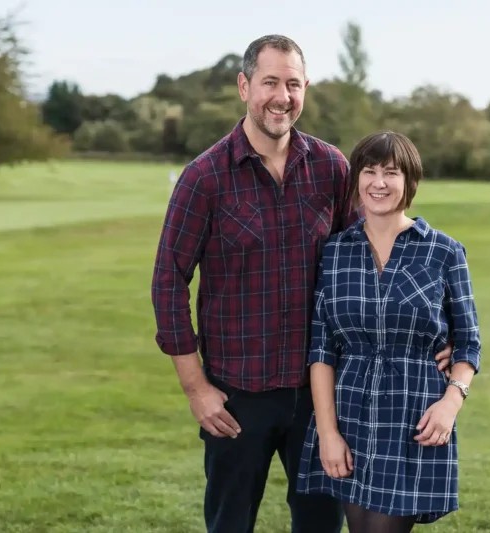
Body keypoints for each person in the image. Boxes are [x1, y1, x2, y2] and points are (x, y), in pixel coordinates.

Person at [150, 35, 453, 533]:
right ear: (245, 86)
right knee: (230, 524)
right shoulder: (204, 177)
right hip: (236, 395)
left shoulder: (331, 168)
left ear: (305, 88)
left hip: (322, 395)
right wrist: (195, 387)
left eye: (293, 84)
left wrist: (443, 337)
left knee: (319, 525)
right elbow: (167, 283)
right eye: (270, 82)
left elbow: (371, 255)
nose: (282, 96)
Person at [296, 131, 482, 533]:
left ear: (409, 182)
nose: (379, 183)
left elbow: (468, 342)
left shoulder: (444, 251)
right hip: (349, 415)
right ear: (356, 180)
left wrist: (452, 401)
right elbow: (322, 350)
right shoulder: (335, 251)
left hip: (412, 415)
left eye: (391, 173)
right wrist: (328, 433)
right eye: (370, 171)